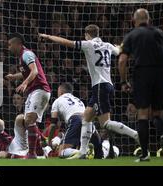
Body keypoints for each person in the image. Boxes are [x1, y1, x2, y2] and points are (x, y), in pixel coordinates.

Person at [39, 24, 139, 159]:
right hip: (107, 85)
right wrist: (121, 45)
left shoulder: (88, 44)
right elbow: (120, 50)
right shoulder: (108, 45)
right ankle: (83, 152)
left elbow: (67, 42)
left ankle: (135, 134)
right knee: (86, 118)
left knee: (105, 123)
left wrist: (48, 36)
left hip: (100, 86)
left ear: (87, 34)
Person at [118, 8, 163, 162]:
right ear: (148, 20)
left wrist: (123, 81)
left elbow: (122, 61)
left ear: (134, 20)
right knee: (158, 113)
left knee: (142, 113)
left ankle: (144, 154)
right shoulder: (162, 34)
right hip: (162, 74)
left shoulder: (132, 35)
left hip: (142, 74)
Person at [5, 33, 51, 158]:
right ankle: (40, 148)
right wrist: (14, 77)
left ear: (18, 43)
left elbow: (34, 71)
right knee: (28, 122)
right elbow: (26, 73)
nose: (8, 47)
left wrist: (25, 83)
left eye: (10, 44)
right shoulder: (22, 57)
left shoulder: (27, 54)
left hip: (39, 89)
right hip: (34, 91)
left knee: (29, 120)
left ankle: (32, 153)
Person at [48, 83, 103, 159]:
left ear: (60, 92)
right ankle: (93, 150)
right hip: (88, 121)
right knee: (98, 155)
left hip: (75, 120)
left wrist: (49, 140)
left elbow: (53, 124)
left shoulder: (57, 101)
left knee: (61, 152)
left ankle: (84, 152)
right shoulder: (78, 100)